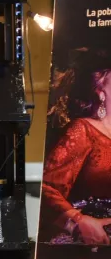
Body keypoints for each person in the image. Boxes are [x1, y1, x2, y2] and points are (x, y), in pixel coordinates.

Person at [41, 61, 111, 245]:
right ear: (101, 92)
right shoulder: (84, 130)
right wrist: (77, 221)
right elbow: (44, 187)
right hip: (89, 245)